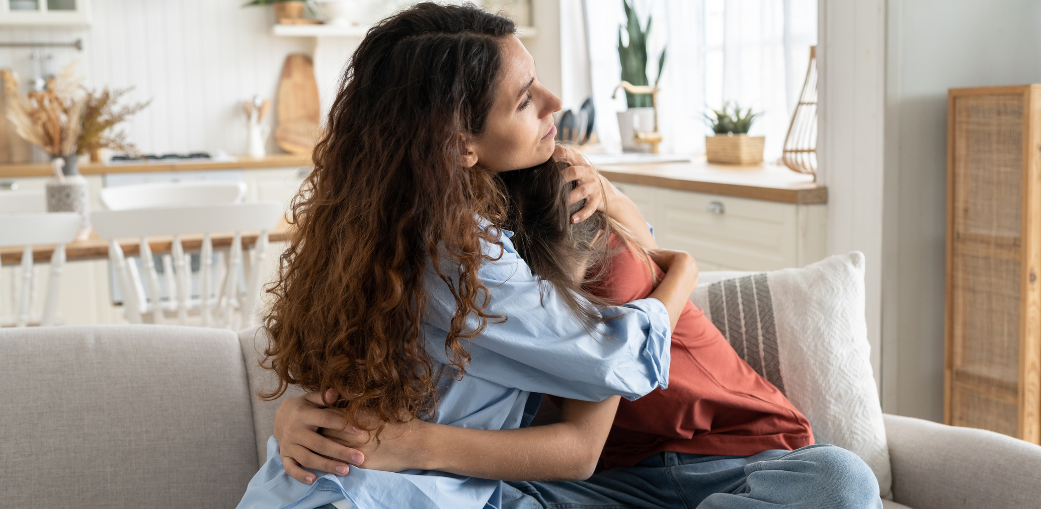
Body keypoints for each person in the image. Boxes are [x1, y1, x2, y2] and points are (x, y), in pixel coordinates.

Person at [237, 3, 697, 509]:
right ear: (459, 145)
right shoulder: (462, 253)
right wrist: (685, 270)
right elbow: (616, 359)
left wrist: (608, 195)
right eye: (524, 101)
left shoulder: (375, 223)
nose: (555, 101)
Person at [301, 157, 883, 509]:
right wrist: (297, 419)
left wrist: (669, 259)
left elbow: (594, 407)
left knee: (838, 479)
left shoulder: (586, 241)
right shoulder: (457, 271)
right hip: (610, 486)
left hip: (746, 458)